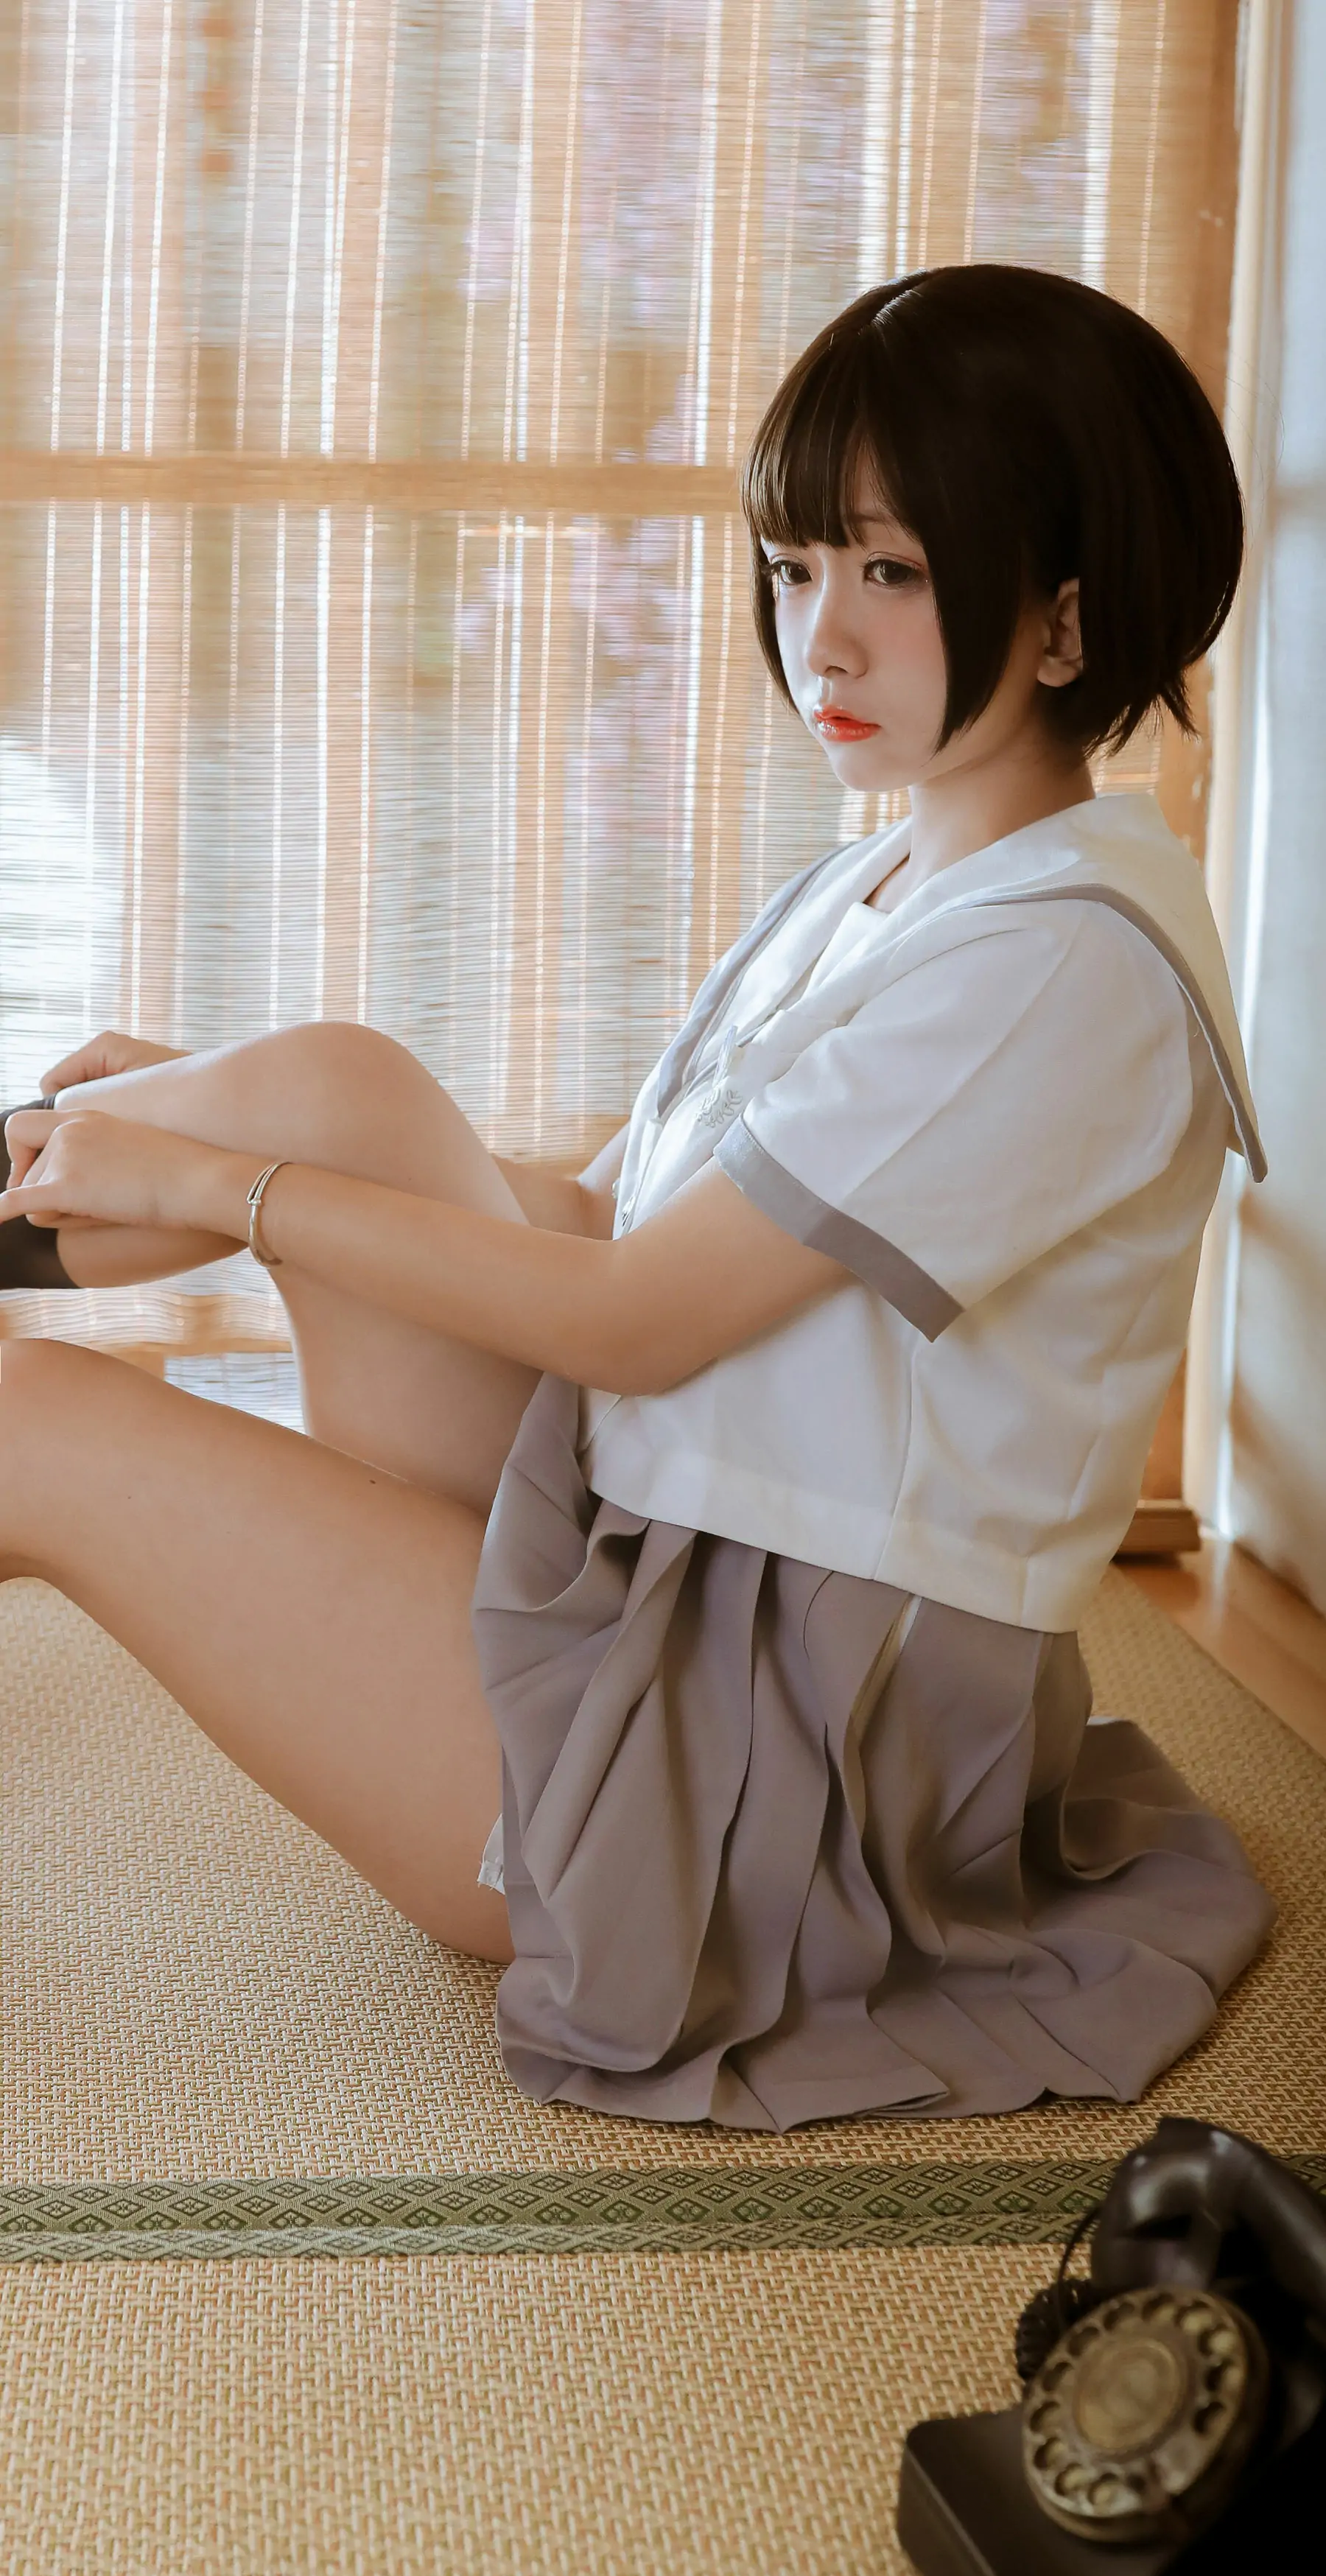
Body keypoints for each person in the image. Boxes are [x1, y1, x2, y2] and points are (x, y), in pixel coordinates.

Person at [0, 264, 1274, 2133]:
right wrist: (243, 1126)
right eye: (795, 567)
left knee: (29, 1421)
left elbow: (632, 1321)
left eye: (891, 571)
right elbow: (599, 1220)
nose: (821, 638)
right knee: (349, 1082)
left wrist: (222, 1182)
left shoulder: (1060, 966)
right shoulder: (891, 881)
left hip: (746, 1777)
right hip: (652, 1571)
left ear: (1067, 615)